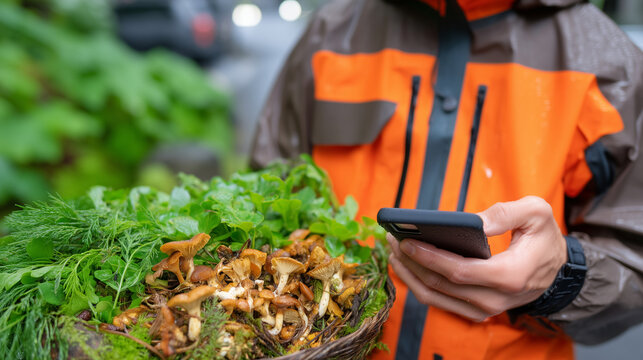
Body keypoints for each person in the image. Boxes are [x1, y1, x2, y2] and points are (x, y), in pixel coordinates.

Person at [250, 0, 643, 359]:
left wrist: (561, 276)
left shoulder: (605, 62)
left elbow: (635, 264)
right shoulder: (330, 34)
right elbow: (264, 201)